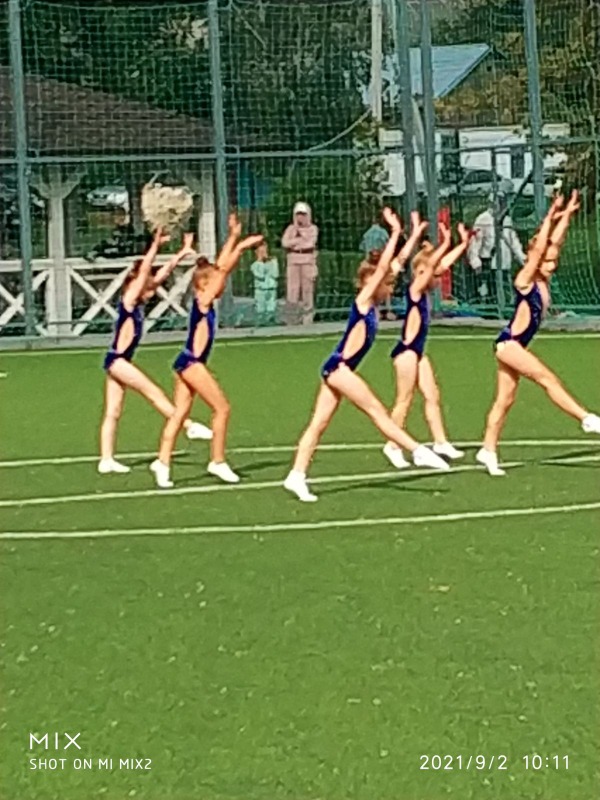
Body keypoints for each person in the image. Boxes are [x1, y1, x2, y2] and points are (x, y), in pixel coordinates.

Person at [283, 209, 450, 504]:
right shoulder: (362, 302)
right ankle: (417, 450)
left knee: (318, 424)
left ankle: (296, 476)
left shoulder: (372, 305)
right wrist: (394, 232)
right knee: (376, 410)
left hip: (335, 368)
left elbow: (397, 263)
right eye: (386, 284)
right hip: (340, 368)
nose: (390, 288)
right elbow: (385, 265)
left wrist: (409, 235)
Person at [477, 191, 600, 476]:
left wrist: (566, 214)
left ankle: (487, 450)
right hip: (509, 344)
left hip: (514, 345)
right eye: (548, 261)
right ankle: (586, 419)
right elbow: (540, 249)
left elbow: (554, 243)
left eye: (554, 262)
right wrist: (549, 217)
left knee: (505, 400)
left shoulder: (544, 279)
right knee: (547, 378)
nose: (552, 265)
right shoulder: (526, 280)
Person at [151, 216, 263, 489]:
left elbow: (219, 268)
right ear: (203, 285)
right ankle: (217, 461)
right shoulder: (202, 300)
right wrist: (241, 246)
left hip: (185, 361)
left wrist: (233, 236)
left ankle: (162, 462)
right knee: (222, 409)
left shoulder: (206, 300)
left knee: (180, 413)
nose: (220, 286)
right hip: (192, 363)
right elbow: (222, 271)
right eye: (214, 283)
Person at [99, 231, 212, 474]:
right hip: (118, 361)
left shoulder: (138, 302)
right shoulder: (129, 301)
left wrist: (181, 253)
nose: (152, 286)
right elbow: (145, 271)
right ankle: (189, 426)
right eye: (146, 283)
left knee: (113, 411)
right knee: (153, 392)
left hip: (118, 361)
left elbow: (161, 274)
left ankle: (106, 459)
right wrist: (154, 245)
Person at [383, 222, 471, 470]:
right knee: (404, 400)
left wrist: (461, 244)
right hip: (406, 352)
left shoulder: (425, 288)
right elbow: (432, 266)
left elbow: (442, 265)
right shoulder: (414, 290)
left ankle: (440, 442)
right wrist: (444, 243)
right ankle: (392, 445)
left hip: (418, 353)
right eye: (427, 272)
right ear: (419, 272)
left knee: (432, 395)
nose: (435, 276)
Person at [468, 181, 525, 304]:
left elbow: (513, 241)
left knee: (507, 294)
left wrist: (522, 258)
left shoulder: (507, 220)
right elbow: (475, 243)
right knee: (491, 296)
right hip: (490, 265)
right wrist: (475, 261)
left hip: (505, 264)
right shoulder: (483, 219)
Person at [282, 201, 319, 325]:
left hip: (307, 261)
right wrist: (299, 240)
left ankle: (307, 319)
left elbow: (310, 243)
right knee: (292, 291)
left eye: (303, 214)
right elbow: (285, 243)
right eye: (298, 214)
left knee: (307, 291)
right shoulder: (290, 229)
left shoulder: (313, 229)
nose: (300, 217)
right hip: (293, 261)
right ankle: (292, 319)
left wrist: (295, 242)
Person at [250, 242, 279, 326]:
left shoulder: (273, 262)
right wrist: (260, 262)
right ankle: (261, 322)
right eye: (261, 251)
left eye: (265, 250)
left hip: (271, 288)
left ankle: (271, 320)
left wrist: (272, 263)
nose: (263, 252)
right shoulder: (255, 265)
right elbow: (260, 275)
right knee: (260, 307)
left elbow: (275, 274)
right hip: (260, 289)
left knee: (271, 307)